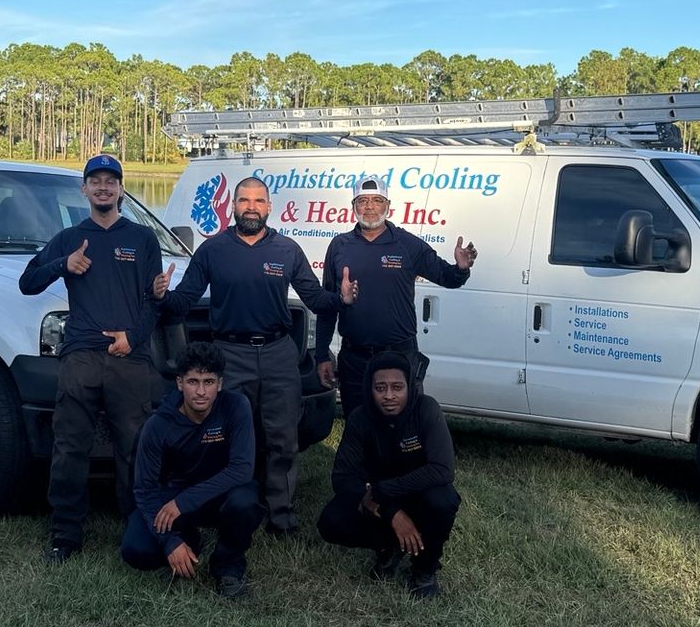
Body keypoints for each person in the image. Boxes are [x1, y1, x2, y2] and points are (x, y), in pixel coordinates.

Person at [160, 176, 348, 538]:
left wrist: (342, 298)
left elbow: (316, 300)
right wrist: (161, 296)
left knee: (282, 438)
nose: (251, 207)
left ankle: (281, 517)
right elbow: (183, 301)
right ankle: (231, 508)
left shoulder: (287, 250)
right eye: (244, 200)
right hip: (229, 354)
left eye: (258, 201)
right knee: (227, 437)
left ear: (268, 207)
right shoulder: (212, 250)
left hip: (279, 354)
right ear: (233, 206)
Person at [19, 153, 170, 564]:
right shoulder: (70, 238)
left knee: (135, 448)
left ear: (121, 189)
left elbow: (154, 303)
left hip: (129, 358)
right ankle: (65, 535)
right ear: (83, 189)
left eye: (111, 181)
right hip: (80, 356)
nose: (104, 187)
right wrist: (61, 265)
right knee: (70, 447)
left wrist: (132, 338)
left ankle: (137, 528)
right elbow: (27, 282)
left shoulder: (142, 239)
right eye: (95, 181)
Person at [316, 175, 478, 415]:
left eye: (377, 200)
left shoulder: (408, 244)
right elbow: (327, 306)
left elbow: (448, 278)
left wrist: (462, 269)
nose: (370, 207)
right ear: (353, 207)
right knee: (358, 428)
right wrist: (322, 355)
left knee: (403, 432)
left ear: (388, 206)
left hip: (400, 357)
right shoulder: (339, 246)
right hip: (354, 359)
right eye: (362, 201)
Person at [317, 350, 460, 600]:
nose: (389, 396)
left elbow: (443, 469)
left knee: (443, 500)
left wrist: (383, 491)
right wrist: (391, 511)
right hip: (380, 503)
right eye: (380, 388)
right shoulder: (360, 418)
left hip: (414, 496)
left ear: (410, 387)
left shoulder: (426, 409)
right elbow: (343, 478)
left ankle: (424, 568)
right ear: (369, 389)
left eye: (397, 387)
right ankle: (389, 546)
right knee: (332, 521)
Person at [121, 342, 260, 599]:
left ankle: (228, 568)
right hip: (172, 498)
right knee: (135, 550)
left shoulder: (235, 406)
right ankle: (186, 540)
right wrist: (169, 542)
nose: (201, 392)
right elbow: (144, 490)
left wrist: (184, 502)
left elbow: (242, 470)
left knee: (246, 501)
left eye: (208, 382)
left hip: (216, 497)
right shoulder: (158, 425)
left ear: (219, 384)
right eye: (193, 381)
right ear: (179, 383)